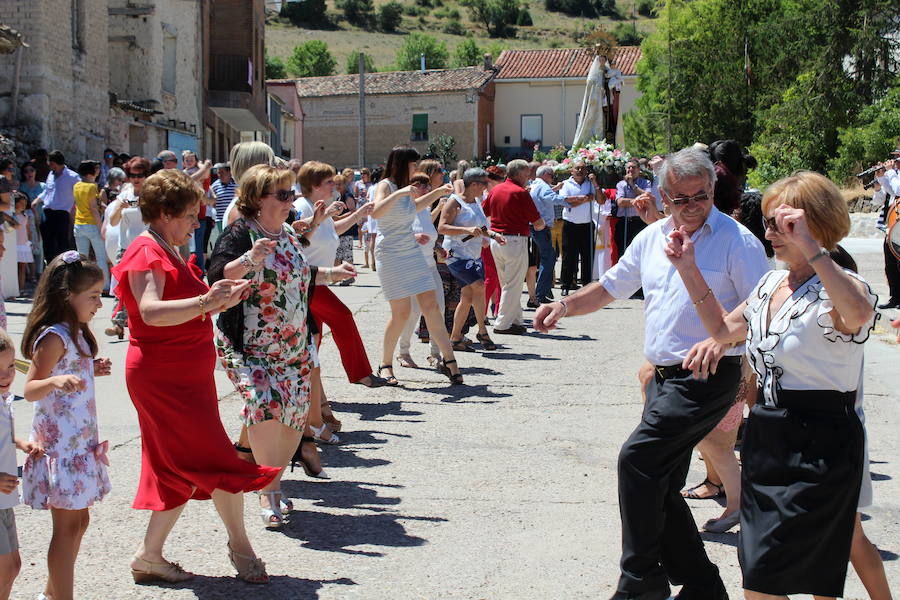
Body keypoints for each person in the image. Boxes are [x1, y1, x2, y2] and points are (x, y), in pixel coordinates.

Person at [534, 147, 769, 600]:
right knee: (658, 481)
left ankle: (640, 579)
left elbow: (761, 304)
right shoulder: (653, 238)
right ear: (664, 195)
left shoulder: (739, 241)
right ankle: (702, 585)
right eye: (681, 198)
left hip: (709, 375)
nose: (692, 205)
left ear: (713, 190)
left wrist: (720, 338)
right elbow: (609, 287)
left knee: (637, 460)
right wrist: (563, 305)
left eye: (700, 195)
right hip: (663, 379)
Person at [662, 170, 878, 600]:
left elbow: (855, 315)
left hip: (824, 440)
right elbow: (724, 330)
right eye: (769, 223)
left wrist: (813, 250)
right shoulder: (768, 284)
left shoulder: (845, 286)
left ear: (816, 224)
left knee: (820, 570)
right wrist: (687, 268)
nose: (771, 233)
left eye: (784, 223)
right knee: (759, 569)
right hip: (767, 435)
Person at [111, 169, 278, 585]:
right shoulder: (147, 249)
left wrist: (216, 299)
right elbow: (149, 312)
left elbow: (183, 306)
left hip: (182, 376)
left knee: (177, 467)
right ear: (166, 213)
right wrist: (207, 300)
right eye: (190, 215)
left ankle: (150, 556)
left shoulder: (164, 245)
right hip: (164, 377)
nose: (197, 222)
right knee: (211, 458)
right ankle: (241, 548)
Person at [209, 164, 355, 529]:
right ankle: (268, 490)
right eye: (283, 195)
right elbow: (216, 275)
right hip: (248, 346)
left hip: (292, 344)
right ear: (258, 199)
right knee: (262, 403)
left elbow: (302, 275)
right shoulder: (240, 233)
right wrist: (249, 259)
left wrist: (333, 273)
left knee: (293, 415)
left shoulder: (289, 233)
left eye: (291, 194)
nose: (291, 201)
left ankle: (258, 472)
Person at [21, 252, 112, 600]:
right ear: (67, 296)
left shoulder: (77, 334)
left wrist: (92, 370)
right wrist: (55, 383)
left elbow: (73, 373)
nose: (99, 304)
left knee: (80, 523)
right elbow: (29, 389)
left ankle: (52, 593)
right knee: (65, 528)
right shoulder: (54, 336)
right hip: (61, 448)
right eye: (93, 296)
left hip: (79, 444)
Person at [293, 161, 385, 444]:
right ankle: (360, 374)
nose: (335, 185)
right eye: (329, 182)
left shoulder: (317, 206)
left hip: (316, 281)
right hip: (307, 283)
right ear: (315, 184)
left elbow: (332, 230)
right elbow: (299, 237)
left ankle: (315, 401)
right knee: (343, 317)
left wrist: (358, 214)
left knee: (314, 342)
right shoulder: (302, 207)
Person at [372, 146, 463, 385]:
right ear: (402, 163)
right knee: (400, 313)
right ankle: (385, 364)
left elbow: (414, 208)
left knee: (431, 306)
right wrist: (400, 193)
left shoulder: (406, 189)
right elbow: (377, 213)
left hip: (411, 254)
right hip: (390, 254)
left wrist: (439, 192)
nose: (416, 168)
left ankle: (449, 360)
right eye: (413, 164)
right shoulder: (386, 185)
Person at [0, 329, 44, 600]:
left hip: (4, 500)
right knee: (5, 568)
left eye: (9, 366)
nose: (6, 375)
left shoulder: (4, 399)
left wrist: (21, 443)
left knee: (13, 567)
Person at [438, 167, 502, 350]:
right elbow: (442, 228)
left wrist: (493, 235)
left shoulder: (476, 201)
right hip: (457, 255)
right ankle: (482, 332)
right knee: (479, 287)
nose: (486, 186)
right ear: (474, 184)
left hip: (473, 255)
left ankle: (455, 338)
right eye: (484, 183)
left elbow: (480, 228)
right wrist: (466, 231)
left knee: (467, 297)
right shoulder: (454, 202)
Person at [482, 159, 546, 334]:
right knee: (513, 284)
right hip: (515, 241)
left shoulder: (495, 190)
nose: (528, 178)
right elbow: (538, 221)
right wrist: (541, 225)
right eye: (526, 175)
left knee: (508, 283)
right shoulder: (520, 192)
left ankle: (516, 320)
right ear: (518, 174)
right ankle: (502, 324)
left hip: (496, 240)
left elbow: (483, 212)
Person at [397, 161, 448, 366]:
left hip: (430, 265)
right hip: (411, 267)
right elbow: (395, 235)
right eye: (423, 185)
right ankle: (403, 352)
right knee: (412, 312)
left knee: (439, 309)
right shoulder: (404, 209)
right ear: (412, 188)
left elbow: (428, 231)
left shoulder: (425, 209)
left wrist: (437, 246)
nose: (428, 188)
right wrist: (413, 238)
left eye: (428, 185)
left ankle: (435, 354)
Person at [105, 157, 150, 339]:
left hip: (147, 247)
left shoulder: (151, 194)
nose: (135, 178)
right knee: (121, 287)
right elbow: (113, 221)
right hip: (126, 247)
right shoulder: (125, 194)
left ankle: (142, 322)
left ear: (146, 175)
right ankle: (118, 324)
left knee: (144, 286)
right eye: (132, 175)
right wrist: (119, 207)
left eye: (139, 175)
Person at [530, 165, 567, 303]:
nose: (553, 178)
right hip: (541, 227)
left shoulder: (537, 185)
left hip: (538, 226)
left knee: (548, 257)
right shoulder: (543, 185)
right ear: (545, 174)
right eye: (551, 175)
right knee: (549, 258)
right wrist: (572, 201)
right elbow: (553, 198)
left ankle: (542, 292)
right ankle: (541, 293)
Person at [559, 160, 597, 296]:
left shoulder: (590, 183)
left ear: (586, 171)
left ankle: (586, 285)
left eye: (582, 168)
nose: (580, 171)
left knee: (587, 257)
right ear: (572, 171)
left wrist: (594, 187)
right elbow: (565, 199)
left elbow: (596, 197)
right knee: (569, 257)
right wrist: (584, 198)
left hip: (586, 224)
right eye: (577, 168)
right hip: (570, 224)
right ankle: (566, 284)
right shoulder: (566, 184)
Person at [73, 161, 110, 293]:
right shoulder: (92, 187)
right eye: (97, 169)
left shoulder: (76, 186)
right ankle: (105, 286)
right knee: (100, 257)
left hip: (78, 224)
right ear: (91, 172)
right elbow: (94, 209)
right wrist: (101, 228)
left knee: (82, 258)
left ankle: (81, 285)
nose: (99, 171)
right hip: (92, 224)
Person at [37, 151, 79, 261]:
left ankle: (63, 267)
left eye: (50, 163)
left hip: (62, 213)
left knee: (62, 243)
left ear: (55, 163)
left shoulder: (73, 177)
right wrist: (36, 200)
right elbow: (47, 191)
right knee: (47, 243)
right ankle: (50, 267)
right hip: (47, 212)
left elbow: (79, 193)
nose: (50, 166)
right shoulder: (51, 175)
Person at [614, 158, 652, 271]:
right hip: (624, 222)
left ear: (639, 170)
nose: (630, 169)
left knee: (640, 252)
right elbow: (620, 202)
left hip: (640, 221)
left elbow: (647, 197)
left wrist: (632, 185)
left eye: (633, 167)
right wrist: (637, 201)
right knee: (623, 251)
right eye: (628, 167)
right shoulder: (621, 184)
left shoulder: (645, 182)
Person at [13, 193, 33, 293]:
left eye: (25, 203)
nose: (23, 205)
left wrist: (29, 241)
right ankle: (14, 288)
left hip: (23, 245)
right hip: (13, 245)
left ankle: (21, 288)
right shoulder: (11, 215)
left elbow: (27, 229)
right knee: (13, 267)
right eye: (21, 203)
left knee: (22, 267)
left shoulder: (25, 216)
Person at [211, 163, 237, 234]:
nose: (220, 175)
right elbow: (212, 202)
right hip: (220, 219)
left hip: (235, 219)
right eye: (218, 173)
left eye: (222, 172)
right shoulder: (215, 186)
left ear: (229, 173)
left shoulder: (236, 185)